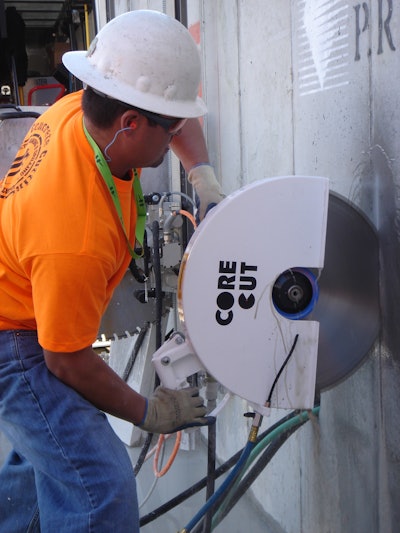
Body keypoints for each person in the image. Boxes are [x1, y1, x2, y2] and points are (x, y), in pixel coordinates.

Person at [0, 10, 224, 532]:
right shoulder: (73, 232)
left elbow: (168, 114)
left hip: (27, 309)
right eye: (171, 130)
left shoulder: (82, 110)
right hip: (17, 341)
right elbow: (65, 360)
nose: (177, 136)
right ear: (130, 125)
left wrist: (205, 180)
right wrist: (148, 412)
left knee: (44, 469)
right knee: (99, 488)